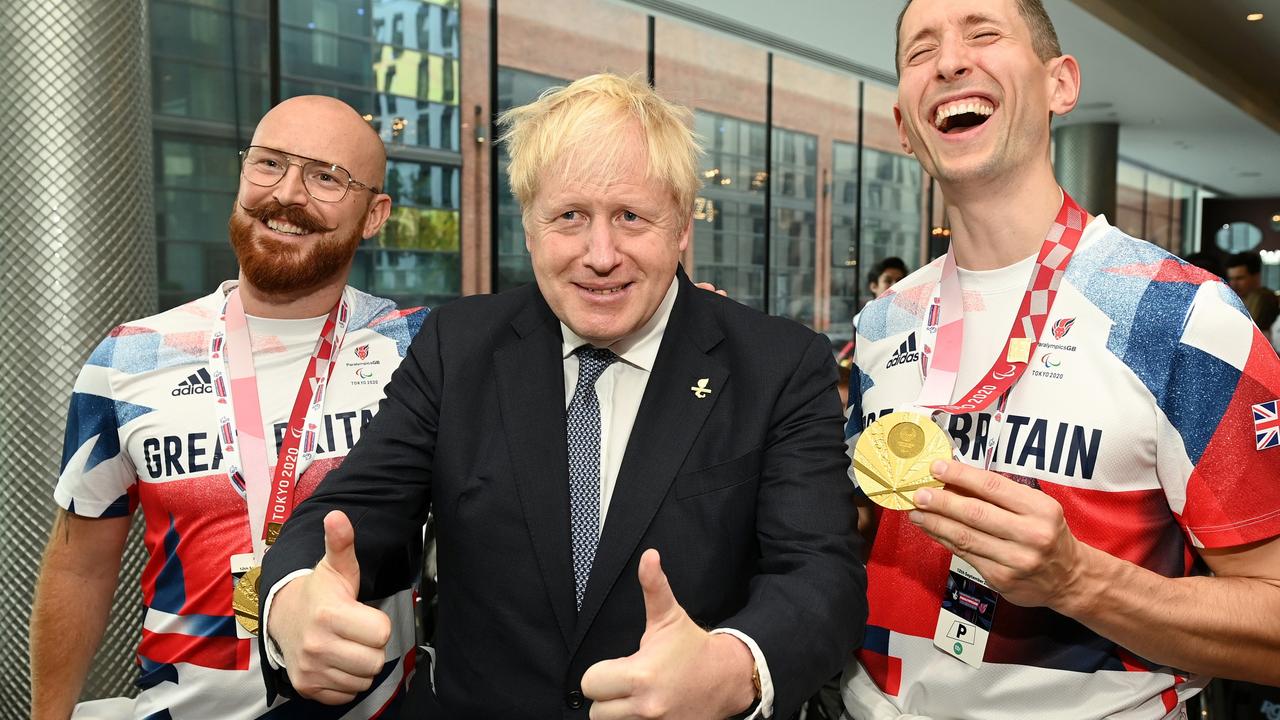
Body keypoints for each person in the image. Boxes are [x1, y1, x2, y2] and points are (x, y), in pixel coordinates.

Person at [259, 73, 867, 719]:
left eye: (631, 216)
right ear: (528, 226)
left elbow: (819, 574)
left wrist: (735, 667)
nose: (599, 255)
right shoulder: (458, 344)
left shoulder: (777, 365)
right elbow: (358, 508)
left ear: (683, 226)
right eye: (569, 216)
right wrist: (295, 598)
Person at [842, 1, 1280, 718]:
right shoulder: (882, 324)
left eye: (983, 33)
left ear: (1061, 86)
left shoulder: (1184, 318)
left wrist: (1077, 580)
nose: (950, 61)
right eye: (921, 51)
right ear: (903, 126)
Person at [29, 96, 425, 720]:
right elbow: (80, 569)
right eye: (269, 164)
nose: (288, 194)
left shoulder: (420, 351)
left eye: (326, 177)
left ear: (375, 215)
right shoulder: (129, 358)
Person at [1226, 250, 1279, 332]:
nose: (1234, 284)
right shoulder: (1233, 300)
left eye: (1240, 278)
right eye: (1231, 278)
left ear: (1256, 277)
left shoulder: (1264, 298)